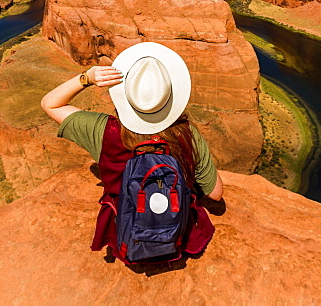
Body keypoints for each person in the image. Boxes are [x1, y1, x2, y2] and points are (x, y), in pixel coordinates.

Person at [41, 41, 223, 262]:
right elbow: (215, 194)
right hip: (177, 233)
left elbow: (50, 104)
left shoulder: (102, 130)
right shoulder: (188, 135)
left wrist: (87, 78)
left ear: (125, 96)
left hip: (127, 233)